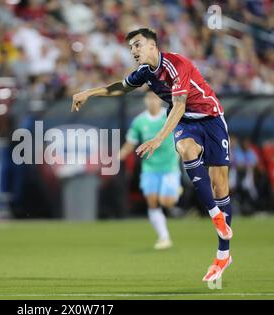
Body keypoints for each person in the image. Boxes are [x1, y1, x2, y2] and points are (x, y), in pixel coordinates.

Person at [72, 28, 233, 282]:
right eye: (131, 48)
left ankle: (223, 254)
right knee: (186, 149)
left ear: (152, 46)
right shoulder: (145, 73)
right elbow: (120, 88)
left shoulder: (177, 64)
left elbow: (179, 105)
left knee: (220, 184)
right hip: (185, 123)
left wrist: (158, 138)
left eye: (137, 45)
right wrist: (88, 93)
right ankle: (214, 215)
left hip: (211, 118)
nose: (133, 51)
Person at [119, 91, 180, 250]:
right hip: (149, 168)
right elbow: (130, 143)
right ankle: (164, 237)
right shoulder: (139, 121)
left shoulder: (169, 116)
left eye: (155, 97)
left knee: (166, 202)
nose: (152, 101)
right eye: (149, 98)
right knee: (152, 202)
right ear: (145, 101)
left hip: (169, 166)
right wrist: (119, 155)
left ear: (160, 100)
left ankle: (176, 191)